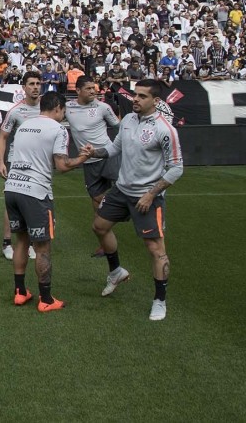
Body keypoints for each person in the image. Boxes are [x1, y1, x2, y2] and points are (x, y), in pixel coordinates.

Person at [88, 79, 184, 321]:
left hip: (148, 197)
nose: (136, 100)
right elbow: (114, 148)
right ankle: (116, 271)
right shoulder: (129, 120)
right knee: (99, 226)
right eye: (135, 95)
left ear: (156, 101)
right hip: (121, 190)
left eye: (142, 96)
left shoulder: (165, 129)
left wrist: (151, 194)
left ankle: (160, 301)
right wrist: (95, 152)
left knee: (156, 249)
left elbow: (176, 168)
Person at [4, 92, 93, 313]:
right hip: (35, 193)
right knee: (42, 247)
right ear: (59, 108)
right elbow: (62, 166)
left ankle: (20, 292)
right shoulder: (58, 129)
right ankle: (45, 299)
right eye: (64, 111)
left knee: (22, 242)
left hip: (12, 188)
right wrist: (84, 157)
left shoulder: (25, 125)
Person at [64, 76, 121, 257]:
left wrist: (120, 148)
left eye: (93, 88)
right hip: (88, 162)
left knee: (127, 189)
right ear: (78, 90)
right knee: (96, 201)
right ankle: (104, 243)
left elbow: (120, 128)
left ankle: (149, 218)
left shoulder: (103, 107)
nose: (92, 91)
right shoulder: (68, 107)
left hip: (107, 156)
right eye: (88, 88)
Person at [0, 72, 42, 260]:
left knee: (34, 201)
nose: (35, 87)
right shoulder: (15, 111)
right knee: (13, 202)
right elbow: (3, 137)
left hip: (39, 162)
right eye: (31, 83)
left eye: (38, 83)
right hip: (17, 161)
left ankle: (30, 243)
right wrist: (1, 162)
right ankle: (7, 243)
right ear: (24, 87)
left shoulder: (47, 108)